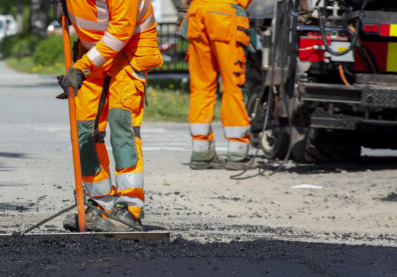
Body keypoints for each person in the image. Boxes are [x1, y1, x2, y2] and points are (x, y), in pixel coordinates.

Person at [56, 0, 163, 231]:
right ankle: (100, 203)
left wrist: (82, 67)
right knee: (84, 126)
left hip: (131, 48)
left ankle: (129, 207)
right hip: (93, 49)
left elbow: (121, 31)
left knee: (121, 121)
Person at [178, 0, 255, 170]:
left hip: (196, 14)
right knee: (233, 86)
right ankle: (238, 154)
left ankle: (201, 152)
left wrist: (183, 10)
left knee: (200, 86)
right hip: (225, 16)